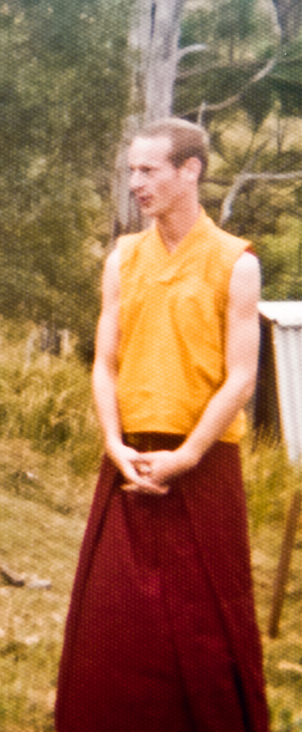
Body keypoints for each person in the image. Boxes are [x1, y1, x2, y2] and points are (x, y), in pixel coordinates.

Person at [55, 118, 269, 732]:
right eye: (132, 172)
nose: (136, 184)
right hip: (128, 460)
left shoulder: (236, 262)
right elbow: (104, 364)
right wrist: (114, 444)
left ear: (190, 170)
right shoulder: (124, 258)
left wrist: (188, 455)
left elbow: (241, 379)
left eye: (149, 171)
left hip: (204, 467)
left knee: (205, 632)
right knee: (112, 624)